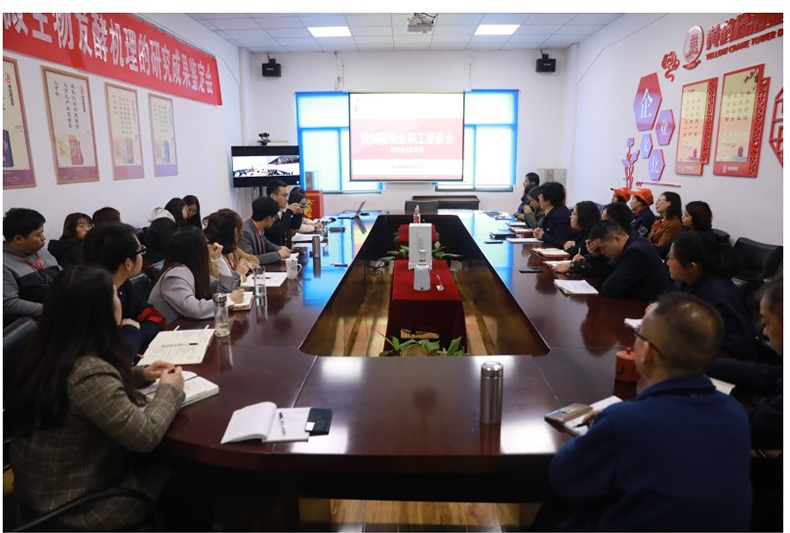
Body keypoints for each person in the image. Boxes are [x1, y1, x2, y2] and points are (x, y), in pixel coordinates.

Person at [548, 293, 752, 531]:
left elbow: (563, 478)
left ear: (646, 352)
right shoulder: (736, 414)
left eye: (638, 334)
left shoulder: (623, 422)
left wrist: (605, 425)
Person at [7, 265, 185, 530]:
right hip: (79, 508)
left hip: (42, 493)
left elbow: (88, 390)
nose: (119, 300)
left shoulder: (49, 350)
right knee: (188, 473)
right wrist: (171, 389)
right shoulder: (87, 371)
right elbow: (145, 437)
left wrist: (141, 374)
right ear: (100, 310)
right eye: (114, 294)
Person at [665, 232, 756, 359]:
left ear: (692, 266)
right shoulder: (685, 281)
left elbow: (736, 346)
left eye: (672, 259)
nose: (668, 263)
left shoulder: (720, 294)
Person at [84, 222, 165, 360]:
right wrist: (131, 332)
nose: (143, 256)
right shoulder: (89, 297)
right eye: (141, 251)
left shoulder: (123, 284)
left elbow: (155, 317)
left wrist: (133, 335)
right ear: (128, 263)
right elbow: (113, 356)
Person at [148, 226, 243, 324]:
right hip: (169, 330)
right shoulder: (174, 275)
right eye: (205, 244)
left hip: (187, 326)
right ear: (196, 250)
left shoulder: (192, 270)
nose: (208, 247)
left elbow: (224, 289)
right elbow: (194, 309)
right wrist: (228, 300)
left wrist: (218, 260)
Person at [583, 219, 669, 301]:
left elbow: (610, 288)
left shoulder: (636, 252)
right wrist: (597, 256)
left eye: (603, 247)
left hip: (650, 305)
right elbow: (607, 276)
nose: (601, 252)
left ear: (616, 239)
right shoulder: (631, 244)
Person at [3, 208, 61, 325]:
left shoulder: (41, 251)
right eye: (38, 235)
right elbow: (9, 304)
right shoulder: (4, 264)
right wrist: (52, 310)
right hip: (39, 321)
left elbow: (63, 275)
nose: (43, 238)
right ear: (18, 239)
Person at [203, 209, 260, 282]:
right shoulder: (211, 254)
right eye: (240, 229)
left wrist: (247, 265)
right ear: (236, 232)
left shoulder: (233, 249)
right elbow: (223, 282)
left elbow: (254, 259)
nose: (242, 233)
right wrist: (238, 274)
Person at [239, 196, 291, 265]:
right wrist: (278, 254)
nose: (274, 220)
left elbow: (267, 244)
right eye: (274, 217)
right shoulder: (245, 232)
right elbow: (250, 260)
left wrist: (280, 248)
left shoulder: (257, 227)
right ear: (268, 218)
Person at [145, 197, 188, 263]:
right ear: (178, 209)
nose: (186, 214)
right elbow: (171, 246)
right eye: (185, 210)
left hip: (162, 257)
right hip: (156, 260)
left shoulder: (168, 221)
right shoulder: (164, 223)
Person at [264, 179, 302, 247]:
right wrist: (289, 212)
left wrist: (297, 214)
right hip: (275, 252)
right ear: (273, 196)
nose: (287, 199)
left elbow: (295, 226)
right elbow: (279, 231)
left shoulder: (280, 213)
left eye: (287, 196)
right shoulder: (266, 214)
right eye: (284, 195)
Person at [533, 182, 571, 248]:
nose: (539, 198)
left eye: (540, 196)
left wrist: (543, 235)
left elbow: (561, 241)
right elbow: (544, 231)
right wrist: (538, 232)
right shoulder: (551, 211)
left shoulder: (560, 215)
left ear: (548, 200)